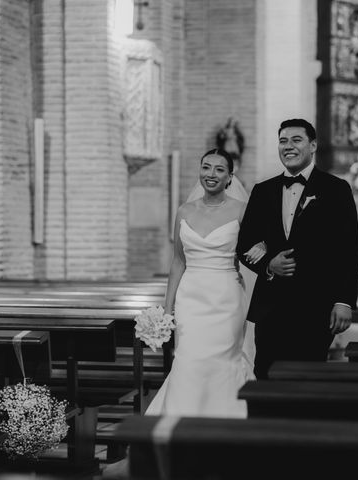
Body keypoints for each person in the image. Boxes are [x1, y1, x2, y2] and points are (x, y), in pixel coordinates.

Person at [101, 148, 262, 479]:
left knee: (219, 362)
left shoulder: (243, 210)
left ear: (230, 176)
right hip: (191, 299)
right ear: (199, 171)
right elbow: (178, 262)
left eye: (220, 169)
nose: (212, 174)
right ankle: (175, 441)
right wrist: (168, 308)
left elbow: (252, 254)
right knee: (188, 362)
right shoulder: (184, 210)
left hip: (225, 298)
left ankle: (224, 445)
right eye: (206, 167)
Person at [236, 118, 358, 380]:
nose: (288, 146)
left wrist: (344, 301)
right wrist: (269, 264)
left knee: (307, 378)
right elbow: (244, 243)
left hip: (316, 307)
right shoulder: (262, 191)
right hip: (271, 308)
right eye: (283, 141)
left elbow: (348, 250)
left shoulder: (336, 189)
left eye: (296, 140)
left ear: (313, 145)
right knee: (265, 376)